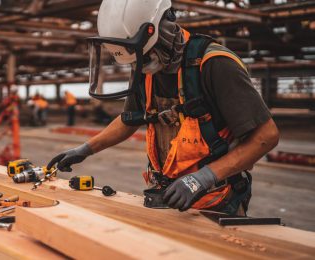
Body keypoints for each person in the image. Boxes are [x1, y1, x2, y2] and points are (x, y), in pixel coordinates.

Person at [47, 0, 279, 216]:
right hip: (165, 196)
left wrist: (203, 178)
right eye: (137, 60)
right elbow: (129, 120)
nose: (140, 65)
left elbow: (266, 136)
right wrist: (85, 149)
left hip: (216, 200)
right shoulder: (143, 66)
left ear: (163, 30)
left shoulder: (215, 64)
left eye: (145, 56)